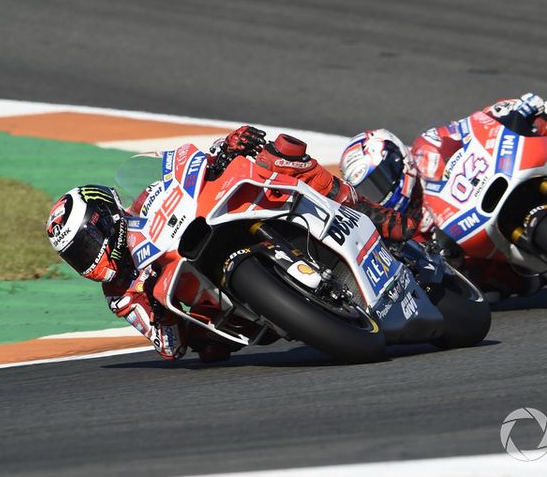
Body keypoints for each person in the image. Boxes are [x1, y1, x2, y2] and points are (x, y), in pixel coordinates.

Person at [46, 126, 415, 362]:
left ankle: (376, 216)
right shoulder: (119, 292)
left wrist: (226, 147)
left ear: (106, 218)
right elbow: (168, 346)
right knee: (209, 352)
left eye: (85, 243)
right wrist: (156, 308)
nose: (86, 257)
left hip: (214, 225)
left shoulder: (143, 202)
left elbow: (189, 170)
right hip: (214, 310)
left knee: (282, 157)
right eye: (75, 254)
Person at [339, 93, 547, 299]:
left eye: (381, 179)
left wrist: (509, 112)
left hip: (504, 181)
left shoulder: (429, 147)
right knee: (492, 289)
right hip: (494, 256)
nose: (380, 192)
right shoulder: (406, 226)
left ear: (400, 160)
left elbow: (471, 127)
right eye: (371, 188)